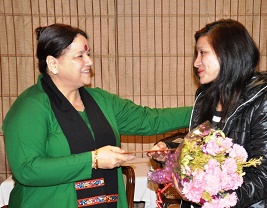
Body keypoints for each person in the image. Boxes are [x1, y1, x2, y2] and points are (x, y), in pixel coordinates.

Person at [2, 23, 192, 208]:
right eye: (80, 56)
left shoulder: (100, 100)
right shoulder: (30, 106)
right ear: (53, 63)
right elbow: (27, 169)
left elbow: (150, 120)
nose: (89, 61)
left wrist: (202, 109)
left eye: (88, 54)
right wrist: (93, 160)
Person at [149, 19, 267, 207]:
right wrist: (169, 148)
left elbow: (266, 175)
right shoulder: (207, 96)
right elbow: (204, 141)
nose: (196, 62)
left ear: (228, 54)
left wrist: (211, 199)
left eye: (203, 53)